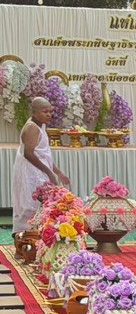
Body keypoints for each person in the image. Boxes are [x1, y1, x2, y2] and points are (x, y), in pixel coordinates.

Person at [11, 96, 68, 231]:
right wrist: (49, 172)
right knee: (30, 204)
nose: (49, 114)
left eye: (50, 111)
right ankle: (25, 236)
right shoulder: (32, 128)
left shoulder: (40, 125)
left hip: (37, 170)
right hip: (30, 171)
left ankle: (39, 234)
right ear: (34, 112)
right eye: (45, 111)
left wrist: (58, 173)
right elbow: (28, 154)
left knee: (42, 204)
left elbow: (44, 155)